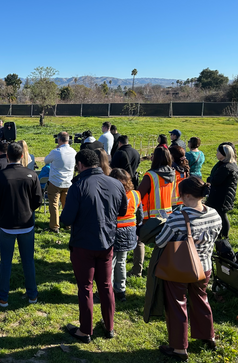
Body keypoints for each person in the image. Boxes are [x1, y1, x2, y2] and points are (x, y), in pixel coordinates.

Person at [61, 149, 127, 344]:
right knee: (106, 286)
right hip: (107, 243)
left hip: (83, 244)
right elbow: (122, 210)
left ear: (80, 165)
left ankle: (85, 330)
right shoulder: (116, 183)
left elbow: (66, 218)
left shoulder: (78, 185)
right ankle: (109, 326)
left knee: (86, 287)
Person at [155, 177, 221, 360]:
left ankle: (179, 348)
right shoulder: (214, 214)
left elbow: (160, 242)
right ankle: (208, 336)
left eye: (181, 194)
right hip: (204, 267)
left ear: (188, 195)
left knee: (177, 305)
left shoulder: (178, 217)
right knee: (201, 300)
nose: (179, 197)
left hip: (181, 268)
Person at [0, 142, 42, 307]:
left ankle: (3, 296)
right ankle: (32, 295)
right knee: (28, 261)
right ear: (22, 156)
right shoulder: (32, 175)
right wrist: (27, 209)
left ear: (6, 156)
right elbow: (38, 200)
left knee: (5, 262)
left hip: (6, 225)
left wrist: (0, 213)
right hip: (27, 223)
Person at [129, 147, 175, 277]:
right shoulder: (172, 173)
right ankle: (162, 269)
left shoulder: (151, 175)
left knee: (139, 241)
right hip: (167, 215)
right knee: (162, 244)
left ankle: (137, 270)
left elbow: (139, 194)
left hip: (150, 217)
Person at [108, 168, 142, 302]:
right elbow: (140, 215)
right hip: (129, 232)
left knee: (110, 263)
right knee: (121, 262)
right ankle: (120, 290)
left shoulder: (111, 194)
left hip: (113, 233)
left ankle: (108, 290)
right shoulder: (135, 194)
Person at [43, 132, 76, 233]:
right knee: (67, 204)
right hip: (68, 182)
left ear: (59, 140)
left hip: (55, 181)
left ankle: (54, 226)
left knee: (54, 204)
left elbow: (46, 161)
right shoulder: (74, 152)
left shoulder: (56, 151)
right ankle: (68, 224)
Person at [206, 143, 238, 239]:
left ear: (224, 154)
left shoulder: (226, 168)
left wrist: (209, 179)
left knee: (221, 215)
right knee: (220, 215)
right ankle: (219, 234)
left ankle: (224, 236)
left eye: (218, 152)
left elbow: (216, 181)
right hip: (222, 194)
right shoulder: (228, 164)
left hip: (222, 196)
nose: (216, 153)